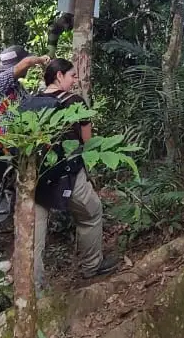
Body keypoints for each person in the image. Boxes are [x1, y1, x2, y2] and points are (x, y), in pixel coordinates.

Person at [20, 58, 118, 290]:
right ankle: (91, 265)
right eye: (72, 76)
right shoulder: (74, 102)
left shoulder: (29, 103)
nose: (75, 80)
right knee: (91, 212)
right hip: (68, 174)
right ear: (59, 76)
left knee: (34, 235)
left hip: (34, 178)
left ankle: (34, 290)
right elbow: (87, 142)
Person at [0, 44, 50, 268]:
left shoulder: (16, 88)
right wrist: (40, 59)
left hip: (14, 153)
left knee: (1, 205)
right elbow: (25, 63)